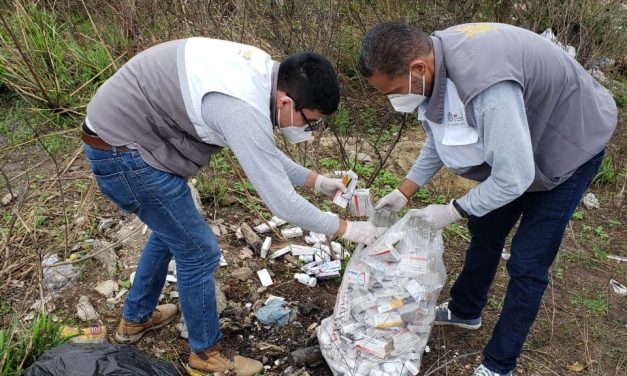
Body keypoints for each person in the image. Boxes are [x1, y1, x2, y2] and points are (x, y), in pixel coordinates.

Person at [81, 37, 379, 376]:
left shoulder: (263, 75)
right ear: (286, 102)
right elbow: (281, 202)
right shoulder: (241, 106)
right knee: (199, 252)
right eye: (310, 122)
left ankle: (135, 320)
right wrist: (348, 229)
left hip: (128, 140)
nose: (309, 130)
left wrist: (316, 181)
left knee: (171, 233)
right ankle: (205, 356)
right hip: (124, 154)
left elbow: (260, 149)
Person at [359, 22, 616, 376]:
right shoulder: (436, 66)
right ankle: (466, 310)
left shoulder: (486, 85)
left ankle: (499, 364)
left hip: (569, 143)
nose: (394, 100)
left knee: (527, 263)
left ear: (419, 68)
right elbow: (441, 136)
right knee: (486, 228)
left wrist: (453, 209)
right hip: (517, 147)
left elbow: (515, 177)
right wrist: (405, 191)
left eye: (395, 90)